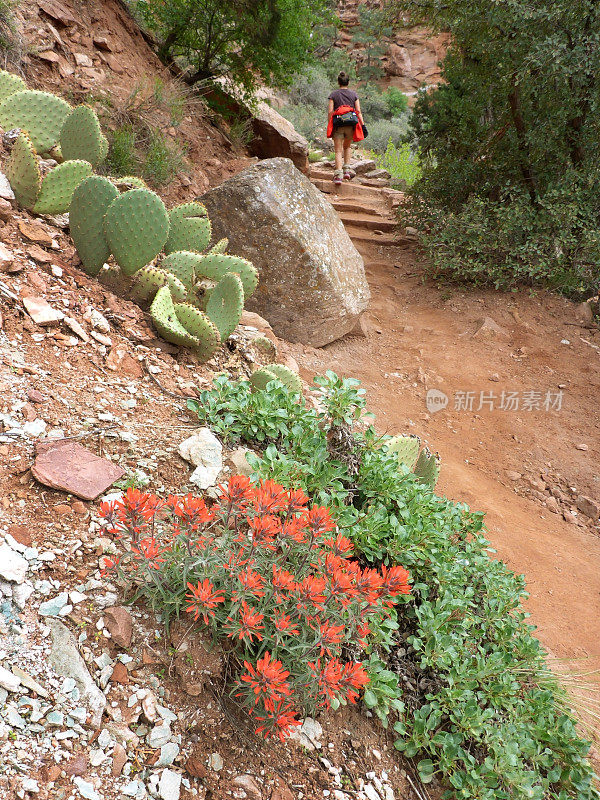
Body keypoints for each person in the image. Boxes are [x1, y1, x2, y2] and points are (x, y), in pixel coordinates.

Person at [327, 72, 365, 185]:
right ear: (348, 82)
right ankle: (347, 170)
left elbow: (330, 111)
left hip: (338, 125)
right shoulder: (354, 94)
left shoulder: (333, 94)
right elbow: (358, 112)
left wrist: (330, 124)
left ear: (338, 82)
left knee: (338, 150)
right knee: (347, 147)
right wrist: (363, 125)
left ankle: (338, 175)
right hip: (351, 125)